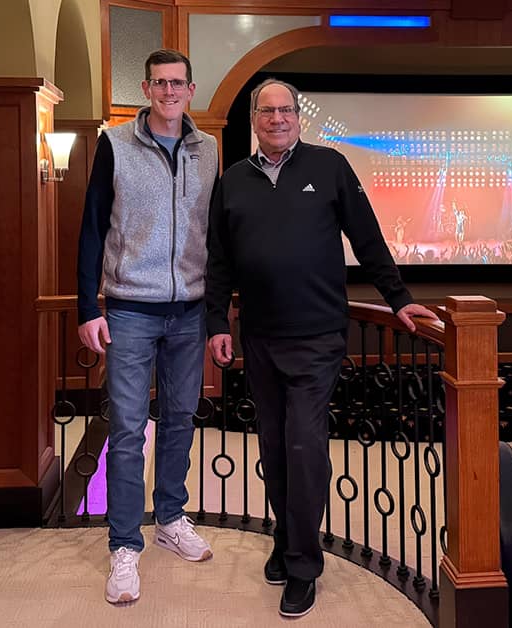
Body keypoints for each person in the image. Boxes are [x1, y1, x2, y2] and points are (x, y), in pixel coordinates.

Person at [204, 79, 437, 618]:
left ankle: (304, 565)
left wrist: (398, 299)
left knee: (305, 448)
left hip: (317, 338)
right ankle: (288, 541)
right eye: (268, 111)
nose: (278, 118)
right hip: (259, 337)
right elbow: (219, 261)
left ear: (298, 119)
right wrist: (217, 322)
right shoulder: (233, 181)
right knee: (275, 447)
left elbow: (368, 237)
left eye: (287, 110)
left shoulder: (329, 167)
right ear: (254, 120)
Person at [76, 48, 219, 605]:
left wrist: (215, 307)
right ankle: (124, 546)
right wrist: (89, 307)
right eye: (158, 83)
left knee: (181, 418)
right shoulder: (114, 144)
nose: (168, 92)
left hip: (189, 310)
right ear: (145, 88)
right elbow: (90, 226)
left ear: (189, 89)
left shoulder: (208, 151)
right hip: (131, 308)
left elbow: (216, 232)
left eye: (177, 83)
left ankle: (171, 518)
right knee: (130, 429)